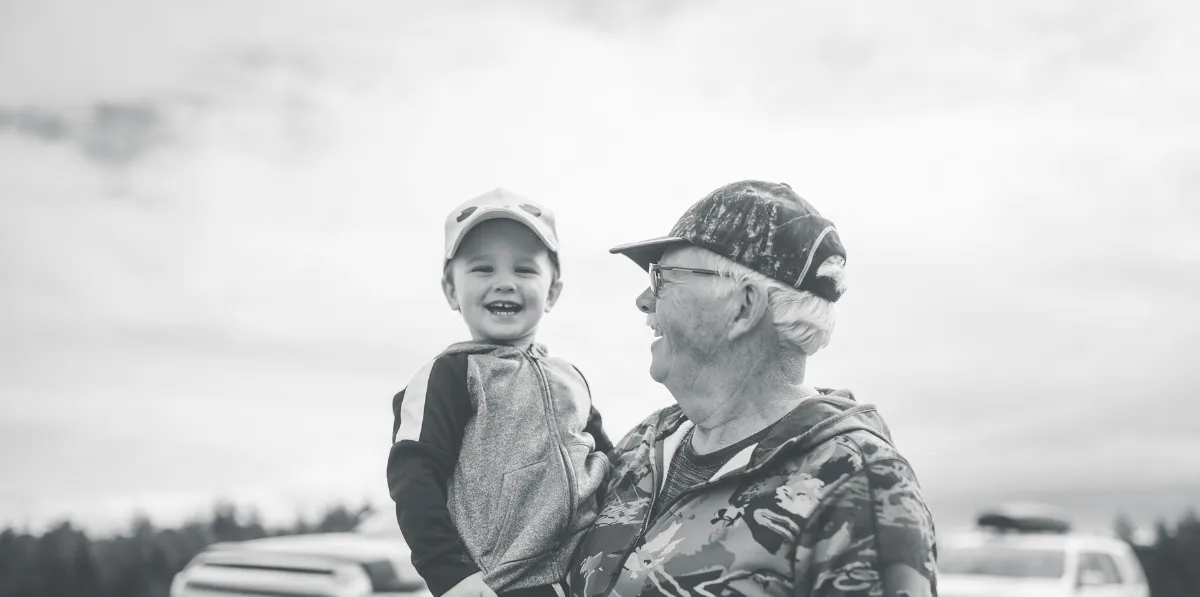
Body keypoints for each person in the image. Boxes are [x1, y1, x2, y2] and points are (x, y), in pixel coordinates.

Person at [568, 181, 937, 597]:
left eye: (662, 278)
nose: (642, 300)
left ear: (743, 306)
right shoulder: (645, 442)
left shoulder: (857, 482)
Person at [388, 189, 613, 597]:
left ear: (553, 291)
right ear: (451, 291)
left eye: (525, 270)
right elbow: (413, 475)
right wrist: (451, 575)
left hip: (590, 576)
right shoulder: (448, 375)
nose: (505, 283)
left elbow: (608, 460)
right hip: (501, 586)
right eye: (483, 269)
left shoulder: (571, 378)